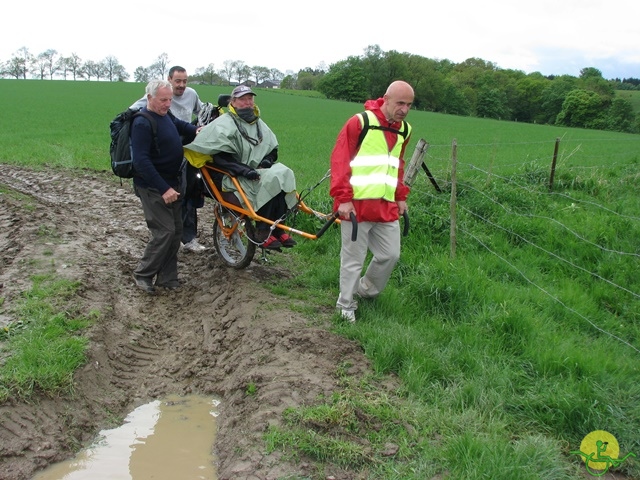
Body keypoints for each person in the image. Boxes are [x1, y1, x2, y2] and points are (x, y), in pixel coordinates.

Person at [329, 80, 415, 322]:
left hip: (386, 206)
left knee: (390, 255)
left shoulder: (404, 130)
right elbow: (341, 159)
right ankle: (345, 305)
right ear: (385, 99)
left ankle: (365, 291)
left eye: (409, 105)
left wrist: (400, 196)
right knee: (353, 259)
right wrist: (343, 199)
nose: (404, 110)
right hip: (356, 205)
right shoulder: (361, 122)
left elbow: (398, 165)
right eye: (400, 103)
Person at [184, 85, 298, 249]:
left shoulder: (258, 123)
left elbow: (272, 149)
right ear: (233, 102)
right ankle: (263, 232)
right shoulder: (224, 124)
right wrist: (243, 170)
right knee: (270, 180)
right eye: (242, 99)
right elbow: (219, 157)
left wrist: (267, 160)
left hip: (256, 171)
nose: (247, 103)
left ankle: (278, 229)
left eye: (250, 99)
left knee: (284, 174)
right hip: (231, 174)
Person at [131, 79, 199, 293]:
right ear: (150, 98)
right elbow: (141, 161)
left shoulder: (165, 115)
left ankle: (167, 278)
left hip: (173, 183)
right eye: (163, 100)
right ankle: (143, 275)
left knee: (177, 232)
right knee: (164, 232)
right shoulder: (142, 122)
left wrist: (197, 129)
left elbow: (180, 126)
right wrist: (163, 189)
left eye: (170, 99)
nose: (168, 104)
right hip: (153, 187)